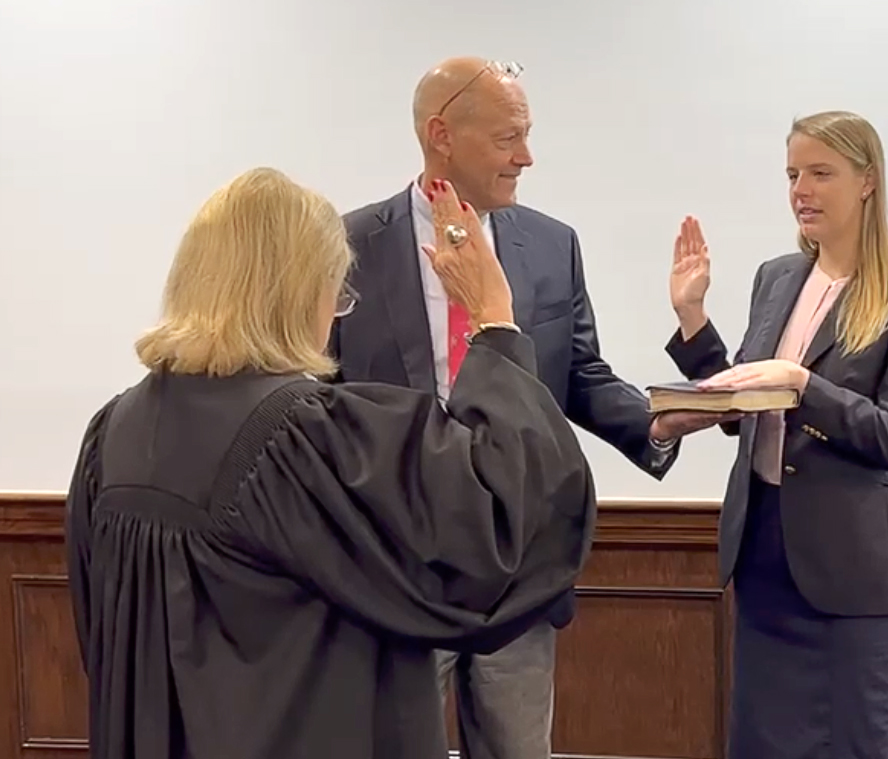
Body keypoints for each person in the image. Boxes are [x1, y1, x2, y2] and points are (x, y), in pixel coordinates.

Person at [64, 168, 600, 759]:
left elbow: (104, 641)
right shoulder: (304, 437)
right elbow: (502, 527)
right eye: (336, 293)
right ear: (299, 292)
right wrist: (495, 324)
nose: (334, 313)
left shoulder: (112, 433)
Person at [328, 56, 712, 759]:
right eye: (509, 137)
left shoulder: (550, 244)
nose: (526, 157)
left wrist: (653, 424)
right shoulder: (347, 246)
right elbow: (321, 397)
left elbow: (577, 372)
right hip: (395, 574)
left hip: (520, 575)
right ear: (442, 133)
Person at [664, 111, 888, 759]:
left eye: (821, 173)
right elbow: (743, 405)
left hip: (854, 586)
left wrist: (803, 384)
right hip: (765, 563)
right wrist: (692, 319)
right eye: (793, 173)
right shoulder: (777, 278)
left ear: (867, 182)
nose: (801, 189)